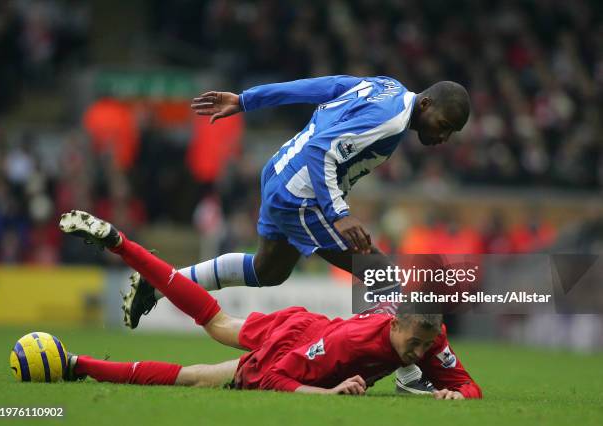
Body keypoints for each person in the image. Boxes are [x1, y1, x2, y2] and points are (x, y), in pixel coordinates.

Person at [124, 75, 471, 329]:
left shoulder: (387, 87)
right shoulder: (391, 120)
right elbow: (323, 149)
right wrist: (339, 214)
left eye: (451, 132)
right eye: (443, 125)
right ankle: (408, 374)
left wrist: (247, 100)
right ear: (426, 104)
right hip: (300, 195)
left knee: (268, 271)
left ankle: (158, 285)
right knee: (381, 275)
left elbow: (320, 87)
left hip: (279, 172)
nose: (443, 136)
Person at [58, 210, 481, 399]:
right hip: (302, 346)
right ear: (394, 327)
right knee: (197, 375)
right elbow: (280, 375)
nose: (424, 353)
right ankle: (78, 362)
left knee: (218, 322)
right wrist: (327, 394)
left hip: (308, 326)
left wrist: (458, 396)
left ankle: (120, 246)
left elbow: (468, 384)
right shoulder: (354, 343)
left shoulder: (427, 331)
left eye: (426, 347)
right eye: (417, 346)